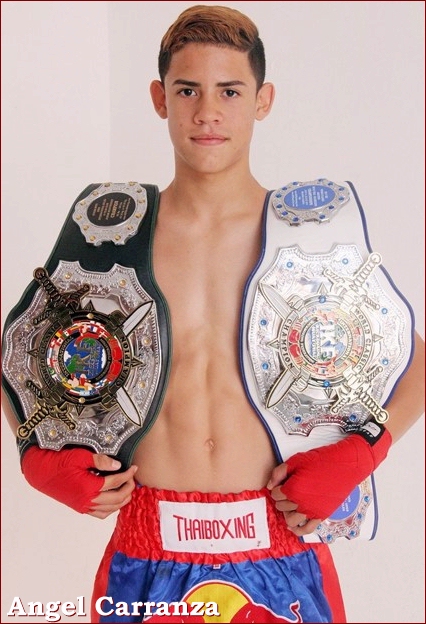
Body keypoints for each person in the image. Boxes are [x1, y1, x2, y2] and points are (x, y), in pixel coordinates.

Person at [2, 5, 424, 623]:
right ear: (159, 98)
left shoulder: (305, 237)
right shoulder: (115, 238)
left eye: (229, 91)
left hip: (280, 546)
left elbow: (416, 361)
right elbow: (21, 349)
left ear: (262, 100)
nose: (207, 112)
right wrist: (32, 452)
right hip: (146, 548)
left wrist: (363, 451)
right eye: (187, 90)